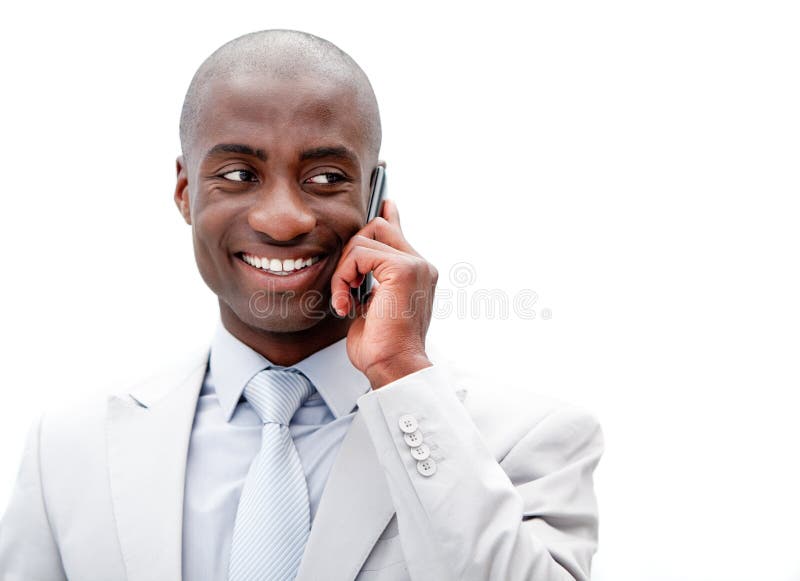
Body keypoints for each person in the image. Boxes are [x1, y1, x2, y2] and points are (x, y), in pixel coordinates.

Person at [0, 29, 604, 581]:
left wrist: (400, 372)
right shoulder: (69, 447)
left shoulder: (527, 441)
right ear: (186, 192)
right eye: (237, 175)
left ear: (375, 197)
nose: (282, 220)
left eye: (324, 178)